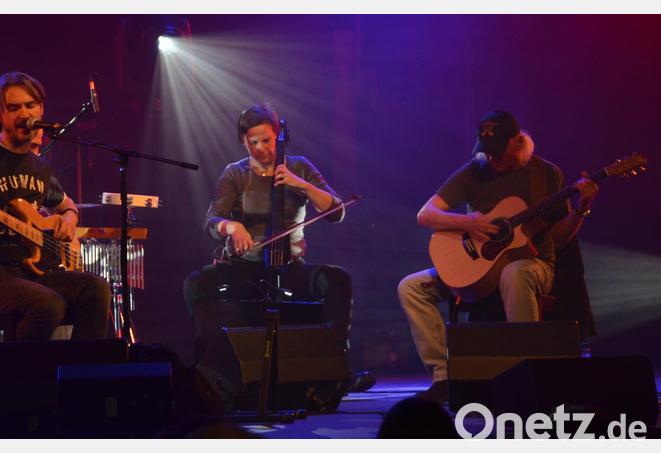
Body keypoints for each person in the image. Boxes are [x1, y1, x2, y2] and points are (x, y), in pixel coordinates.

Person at [397, 110, 599, 403]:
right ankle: (445, 376)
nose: (489, 159)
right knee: (410, 287)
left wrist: (582, 208)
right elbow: (425, 214)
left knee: (513, 272)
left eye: (496, 152)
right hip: (477, 270)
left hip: (534, 265)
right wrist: (469, 223)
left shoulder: (545, 175)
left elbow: (560, 238)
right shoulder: (476, 169)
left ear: (517, 143)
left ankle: (525, 375)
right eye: (485, 152)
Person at [183, 103, 374, 392]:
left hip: (290, 268)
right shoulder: (235, 174)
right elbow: (212, 219)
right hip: (245, 268)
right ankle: (206, 376)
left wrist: (301, 185)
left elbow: (336, 212)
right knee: (195, 285)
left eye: (266, 140)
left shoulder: (299, 167)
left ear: (278, 136)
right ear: (243, 141)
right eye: (252, 142)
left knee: (337, 280)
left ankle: (337, 368)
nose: (260, 148)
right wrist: (231, 227)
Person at [0, 72, 110, 346]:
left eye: (30, 106)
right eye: (13, 108)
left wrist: (69, 216)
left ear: (40, 110)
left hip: (29, 273)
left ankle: (80, 379)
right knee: (47, 305)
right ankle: (17, 381)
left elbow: (66, 204)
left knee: (96, 289)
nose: (23, 113)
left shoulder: (39, 166)